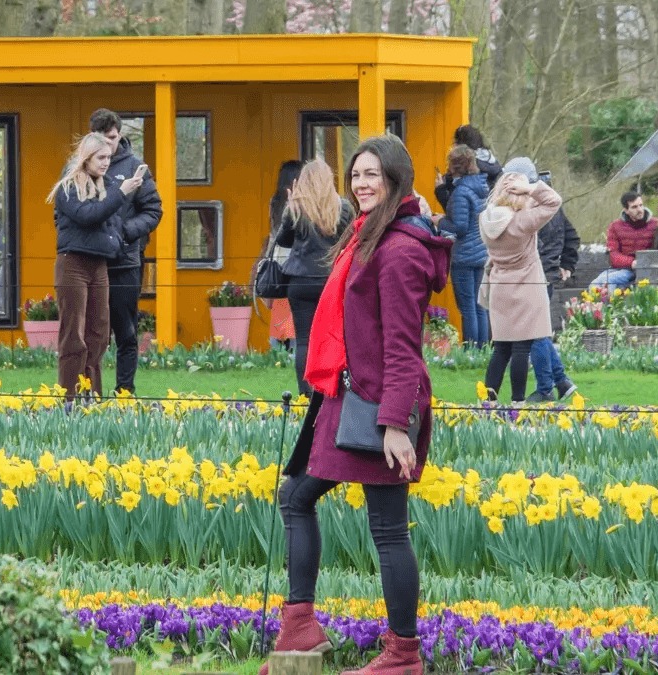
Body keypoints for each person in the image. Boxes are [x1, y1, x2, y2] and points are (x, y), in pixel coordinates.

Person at [262, 134, 452, 675]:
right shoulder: (370, 235)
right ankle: (300, 627)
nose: (362, 184)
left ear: (396, 181)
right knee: (295, 495)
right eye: (357, 175)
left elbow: (401, 347)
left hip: (378, 403)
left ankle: (402, 655)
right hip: (345, 396)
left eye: (373, 175)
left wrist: (395, 425)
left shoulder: (398, 251)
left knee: (387, 527)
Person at [48, 132, 142, 401]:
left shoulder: (108, 186)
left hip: (100, 264)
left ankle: (92, 397)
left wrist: (119, 244)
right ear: (86, 159)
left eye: (109, 158)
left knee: (98, 333)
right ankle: (69, 398)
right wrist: (120, 194)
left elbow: (110, 224)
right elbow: (87, 215)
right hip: (73, 263)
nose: (105, 163)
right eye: (101, 158)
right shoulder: (68, 187)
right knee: (73, 334)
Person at [89, 109, 162, 394]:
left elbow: (154, 210)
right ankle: (89, 393)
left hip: (125, 262)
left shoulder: (135, 167)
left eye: (112, 138)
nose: (108, 145)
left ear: (119, 134)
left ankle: (124, 394)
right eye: (102, 139)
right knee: (92, 334)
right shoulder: (80, 165)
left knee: (126, 333)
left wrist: (124, 232)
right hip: (90, 260)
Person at [479, 171, 562, 403]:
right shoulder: (523, 221)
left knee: (501, 348)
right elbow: (553, 201)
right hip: (526, 286)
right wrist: (531, 188)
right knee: (521, 348)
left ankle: (488, 401)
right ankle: (518, 401)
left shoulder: (486, 219)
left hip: (499, 286)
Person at [275, 158, 352, 395]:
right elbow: (351, 242)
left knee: (304, 340)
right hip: (332, 281)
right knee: (333, 338)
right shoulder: (344, 207)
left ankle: (305, 395)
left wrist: (292, 203)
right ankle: (330, 390)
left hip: (300, 282)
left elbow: (282, 241)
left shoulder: (296, 207)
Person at [503, 157, 577, 404]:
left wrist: (564, 263)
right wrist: (566, 263)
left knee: (535, 334)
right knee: (539, 332)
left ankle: (545, 388)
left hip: (536, 274)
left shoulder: (532, 206)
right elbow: (571, 234)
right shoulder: (547, 202)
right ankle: (562, 382)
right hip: (547, 272)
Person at [443, 144, 490, 349]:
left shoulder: (461, 192)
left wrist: (439, 221)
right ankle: (483, 350)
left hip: (463, 256)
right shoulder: (481, 187)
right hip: (481, 252)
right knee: (480, 306)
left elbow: (459, 228)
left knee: (468, 308)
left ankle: (471, 351)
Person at [588, 191, 657, 294]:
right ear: (626, 210)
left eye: (641, 205)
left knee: (610, 281)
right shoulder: (615, 226)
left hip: (644, 268)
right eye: (634, 207)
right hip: (623, 267)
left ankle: (611, 307)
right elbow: (613, 254)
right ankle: (598, 309)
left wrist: (639, 263)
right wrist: (631, 262)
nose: (640, 210)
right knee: (594, 285)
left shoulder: (655, 224)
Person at [267, 160, 303, 351]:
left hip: (278, 259)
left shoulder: (273, 203)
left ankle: (278, 346)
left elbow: (273, 233)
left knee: (280, 306)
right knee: (295, 305)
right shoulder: (299, 203)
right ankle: (293, 345)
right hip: (296, 259)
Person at [434, 124, 501, 213]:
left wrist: (440, 189)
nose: (452, 147)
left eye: (454, 143)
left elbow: (457, 214)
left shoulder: (465, 169)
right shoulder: (492, 164)